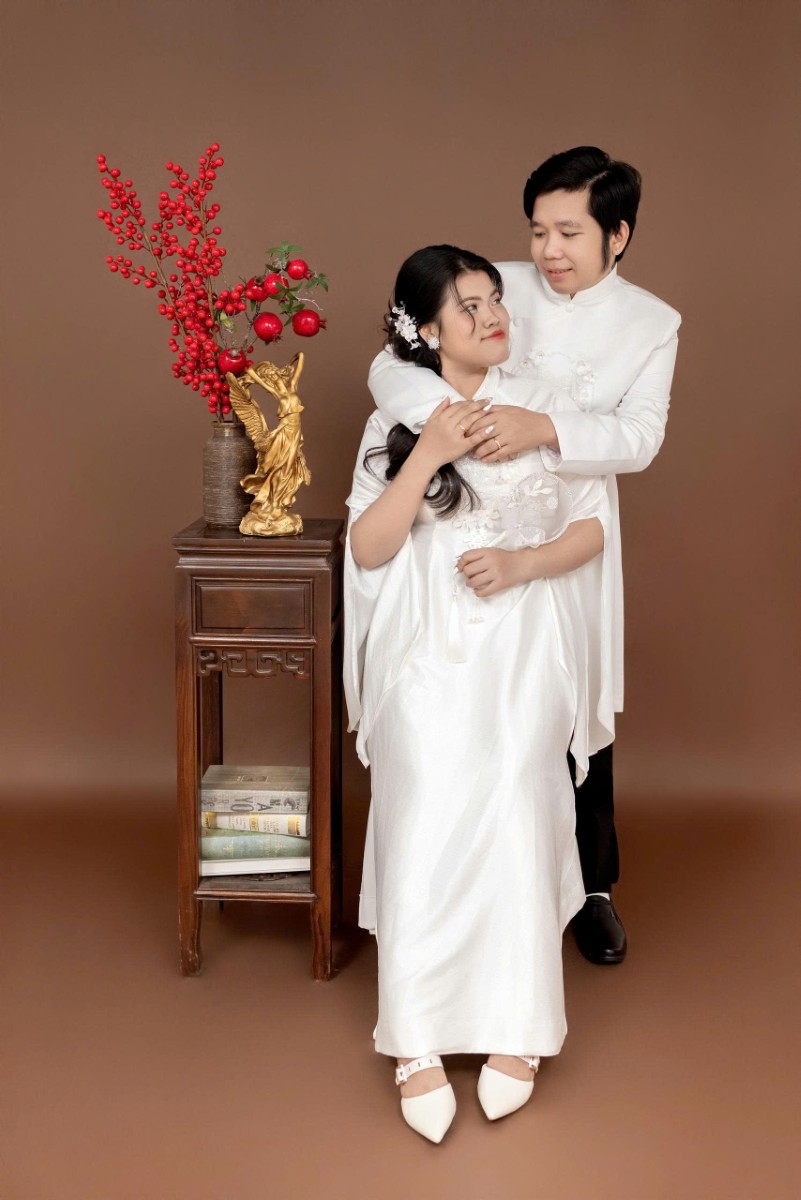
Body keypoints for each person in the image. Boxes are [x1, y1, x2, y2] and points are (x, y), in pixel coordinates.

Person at [367, 147, 681, 965]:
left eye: (568, 233)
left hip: (566, 517)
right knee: (472, 713)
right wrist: (455, 431)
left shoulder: (651, 324)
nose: (547, 251)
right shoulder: (494, 287)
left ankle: (591, 887)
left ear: (616, 234)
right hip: (459, 511)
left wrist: (543, 428)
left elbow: (641, 438)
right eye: (537, 230)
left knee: (576, 699)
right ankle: (473, 882)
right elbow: (393, 363)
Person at [344, 246, 614, 1142]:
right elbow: (368, 549)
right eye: (468, 306)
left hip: (523, 644)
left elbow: (591, 531)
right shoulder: (397, 419)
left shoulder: (541, 406)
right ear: (425, 330)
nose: (493, 315)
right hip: (424, 648)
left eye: (495, 298)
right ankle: (415, 1037)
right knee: (423, 811)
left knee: (515, 808)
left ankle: (519, 1025)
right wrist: (427, 454)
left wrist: (520, 564)